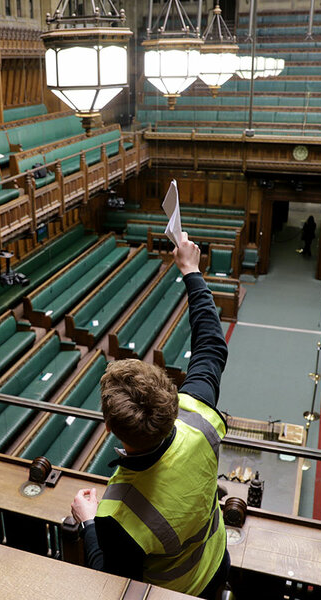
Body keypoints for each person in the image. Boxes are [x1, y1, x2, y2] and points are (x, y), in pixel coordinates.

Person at [70, 231, 230, 599]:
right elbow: (211, 345)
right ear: (170, 396)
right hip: (217, 560)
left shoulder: (118, 512)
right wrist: (191, 270)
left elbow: (111, 582)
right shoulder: (199, 415)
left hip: (173, 592)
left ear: (109, 428)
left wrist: (90, 523)